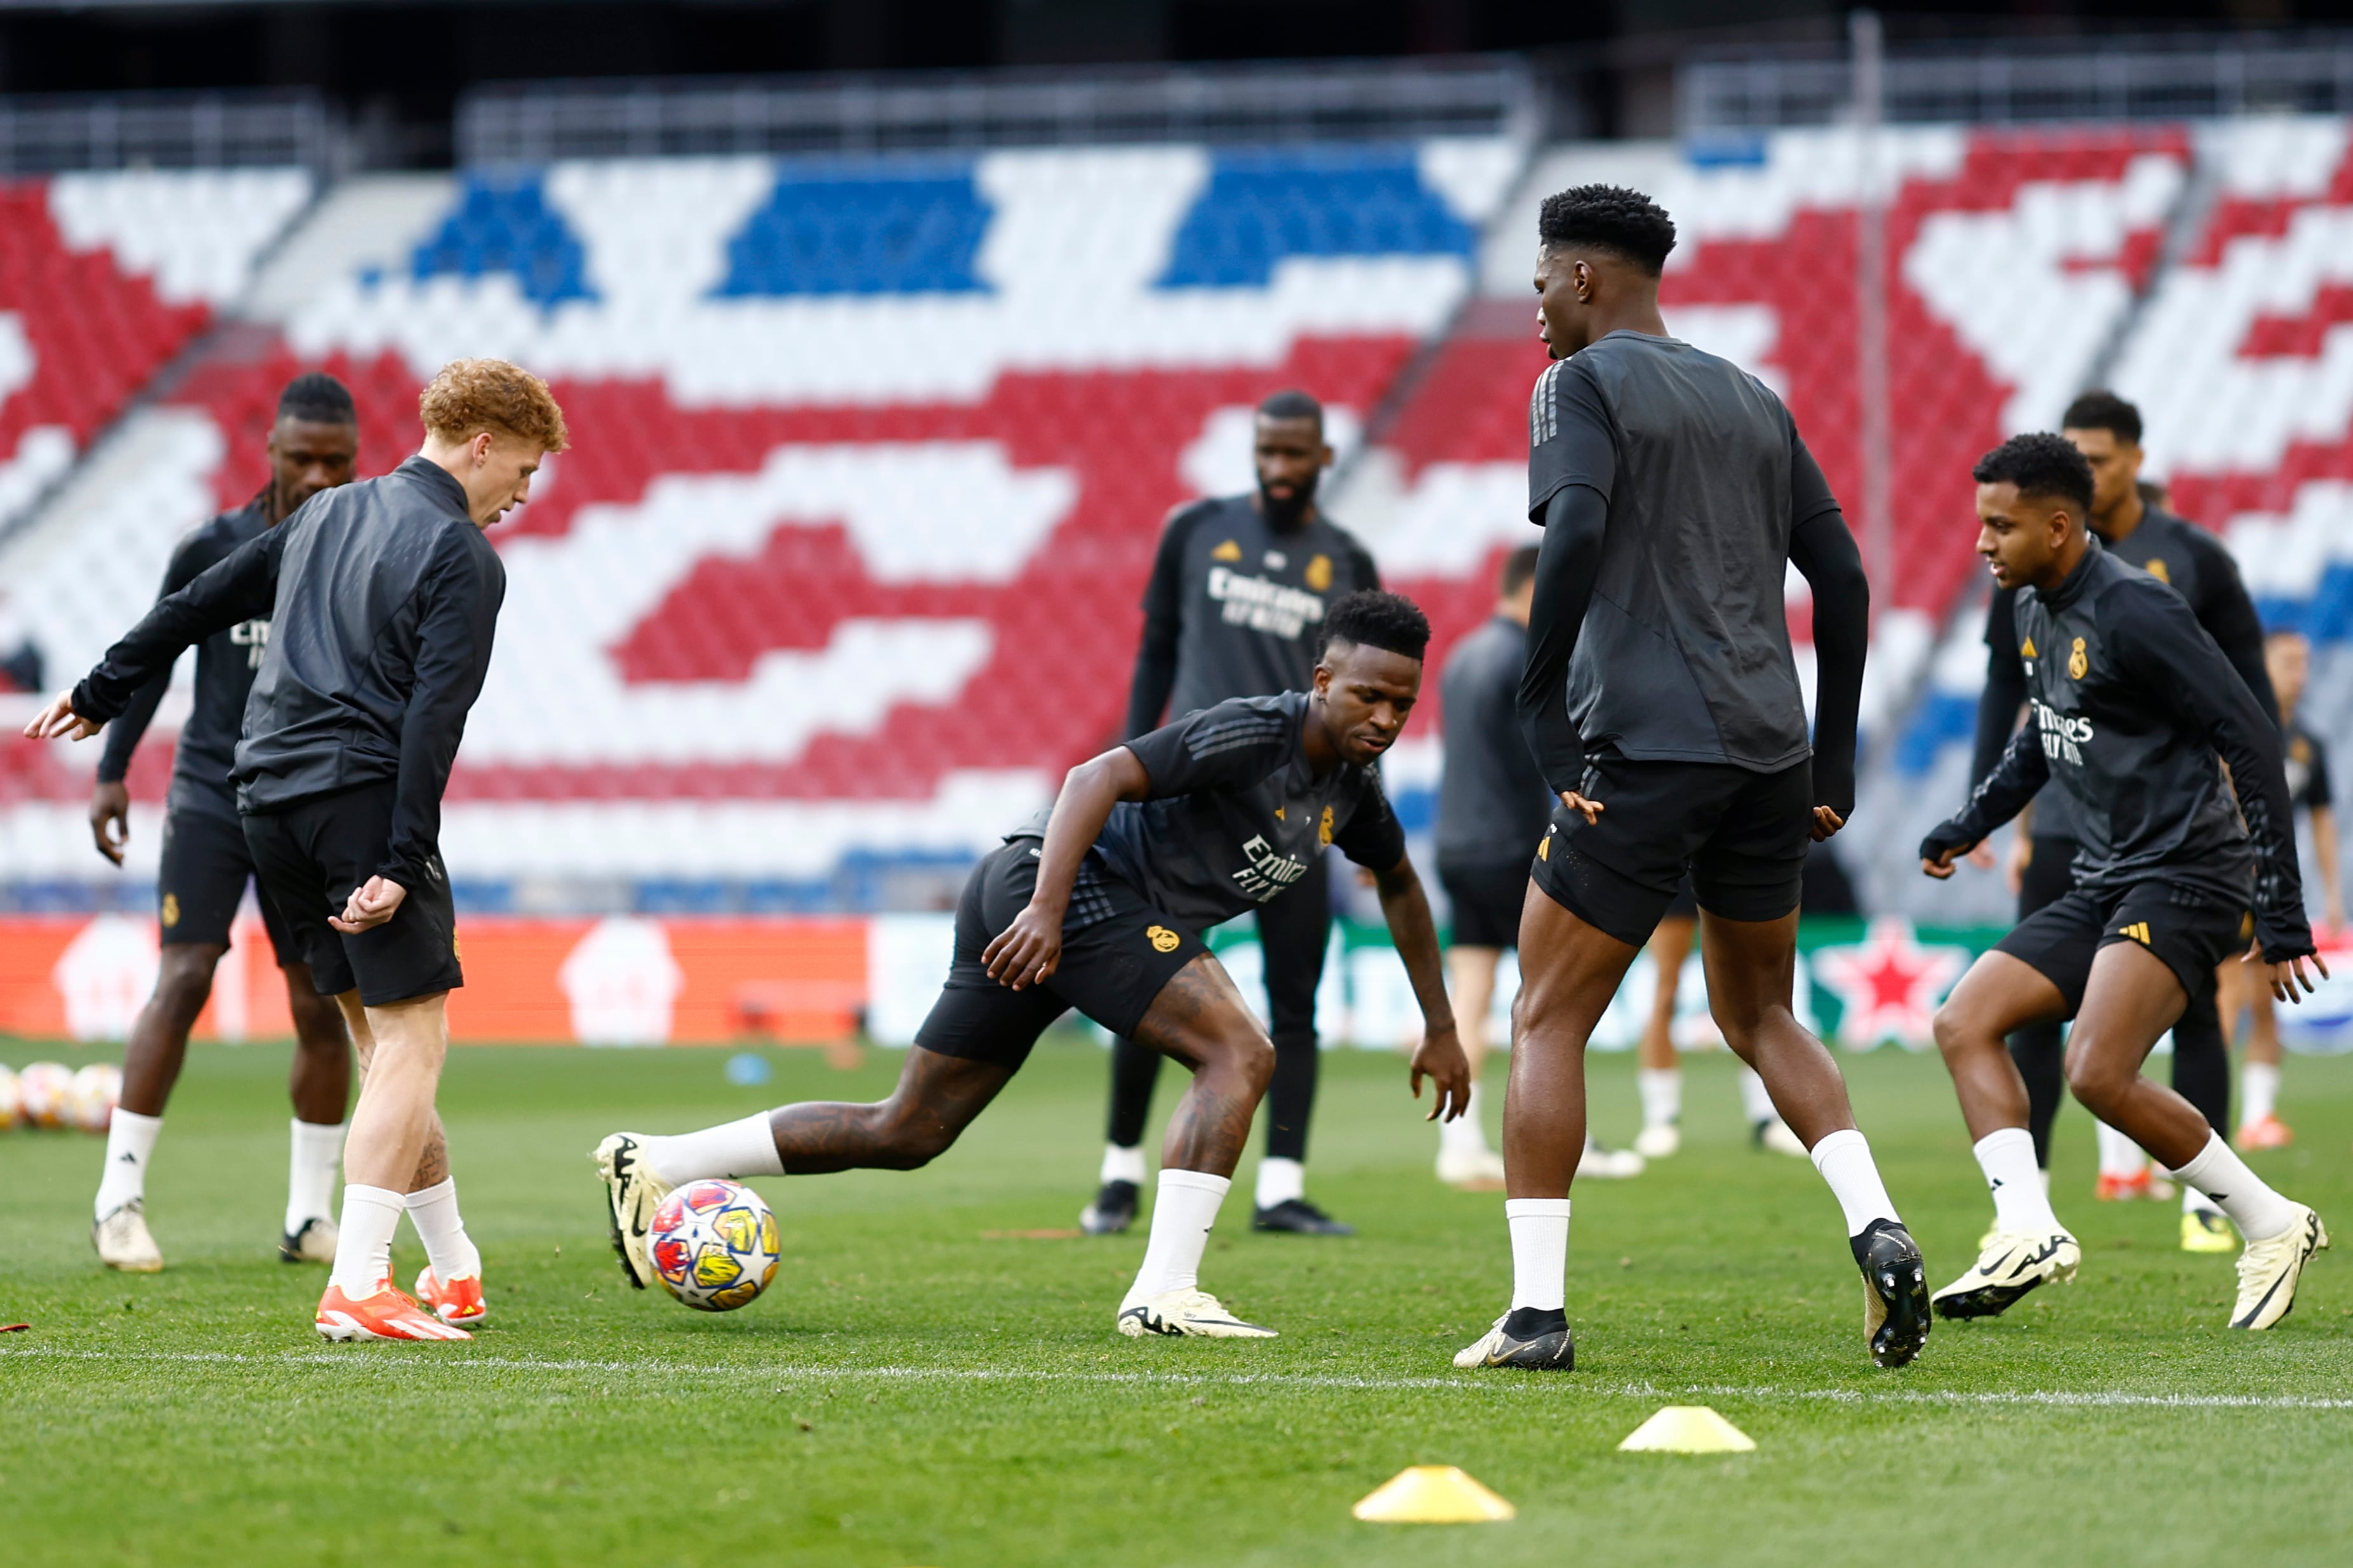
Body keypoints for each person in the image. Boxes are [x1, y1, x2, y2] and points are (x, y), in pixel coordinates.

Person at [596, 591, 1470, 1339]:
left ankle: (659, 1159)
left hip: (1057, 906)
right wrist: (1046, 912)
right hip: (1060, 891)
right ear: (1323, 682)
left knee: (908, 1131)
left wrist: (1438, 1025)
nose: (1384, 719)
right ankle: (1163, 1291)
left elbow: (1397, 882)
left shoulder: (1350, 793)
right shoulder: (1253, 733)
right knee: (1240, 1050)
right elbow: (1093, 776)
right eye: (1367, 695)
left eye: (1400, 703)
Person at [1453, 185, 1927, 1374]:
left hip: (1644, 750)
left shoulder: (1579, 383)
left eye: (1541, 286)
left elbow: (1569, 535)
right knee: (1760, 1011)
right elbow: (1846, 581)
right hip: (1769, 752)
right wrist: (1832, 752)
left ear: (1582, 279)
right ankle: (1875, 1221)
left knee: (1547, 1012)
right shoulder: (1753, 397)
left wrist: (1539, 706)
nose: (1537, 313)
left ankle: (1536, 1315)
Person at [27, 357, 566, 1343]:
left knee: (377, 1044)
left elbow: (197, 602)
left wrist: (102, 687)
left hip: (262, 794)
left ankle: (454, 1268)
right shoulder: (462, 556)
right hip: (356, 800)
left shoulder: (322, 514)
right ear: (482, 444)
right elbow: (430, 725)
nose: (521, 496)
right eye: (523, 472)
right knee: (413, 1043)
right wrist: (404, 862)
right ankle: (358, 1280)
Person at [1921, 433, 2328, 1331]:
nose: (1981, 543)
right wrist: (1969, 821)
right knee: (1962, 1019)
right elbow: (2041, 733)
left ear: (2058, 526)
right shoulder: (2032, 603)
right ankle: (2024, 1225)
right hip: (2105, 873)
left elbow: (2251, 736)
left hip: (2187, 871)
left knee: (2095, 1070)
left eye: (2001, 525)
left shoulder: (2137, 610)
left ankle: (2269, 1222)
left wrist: (2281, 901)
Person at [1972, 391, 2275, 1251]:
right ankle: (2024, 1214)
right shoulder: (2023, 571)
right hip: (2072, 827)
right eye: (2075, 454)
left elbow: (2240, 697)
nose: (2088, 466)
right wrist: (1986, 812)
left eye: (2099, 456)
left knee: (2173, 1019)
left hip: (2174, 838)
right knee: (2007, 1014)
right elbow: (2016, 696)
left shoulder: (2179, 566)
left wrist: (2253, 837)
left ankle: (2211, 1204)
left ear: (2131, 461)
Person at [1080, 388, 1382, 1239]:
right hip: (1188, 807)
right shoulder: (1193, 530)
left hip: (1295, 813)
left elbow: (1369, 696)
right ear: (1252, 452)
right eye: (1266, 452)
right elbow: (1156, 650)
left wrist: (1364, 814)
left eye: (1295, 454)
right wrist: (1136, 766)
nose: (1279, 468)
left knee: (1296, 1000)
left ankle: (1280, 1185)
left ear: (1323, 458)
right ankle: (1117, 1172)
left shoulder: (1346, 556)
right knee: (1146, 984)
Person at [83, 373, 359, 1274]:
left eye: (336, 460)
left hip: (305, 803)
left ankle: (308, 1217)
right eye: (301, 457)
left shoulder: (362, 551)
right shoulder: (215, 545)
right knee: (187, 972)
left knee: (319, 1004)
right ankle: (117, 1198)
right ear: (270, 453)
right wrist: (115, 768)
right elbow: (156, 647)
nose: (318, 475)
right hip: (210, 792)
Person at [1432, 544, 1643, 1187]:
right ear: (1533, 589)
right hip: (1510, 848)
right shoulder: (1525, 657)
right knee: (1549, 1004)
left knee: (1471, 997)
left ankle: (1457, 1142)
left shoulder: (1462, 654)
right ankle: (1559, 1136)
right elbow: (1541, 761)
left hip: (1455, 845)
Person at [2216, 628, 2343, 1149]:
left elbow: (2320, 821)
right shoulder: (2239, 725)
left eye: (2304, 661)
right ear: (2262, 664)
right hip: (2227, 877)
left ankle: (2257, 1116)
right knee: (2225, 995)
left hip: (2272, 883)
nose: (2299, 672)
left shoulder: (2307, 743)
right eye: (2288, 661)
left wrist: (2333, 893)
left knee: (2270, 996)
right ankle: (2200, 1118)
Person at [1630, 874, 1809, 1159]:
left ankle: (1767, 1117)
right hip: (1679, 860)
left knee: (1749, 991)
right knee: (1666, 989)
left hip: (1728, 856)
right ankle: (1661, 1118)